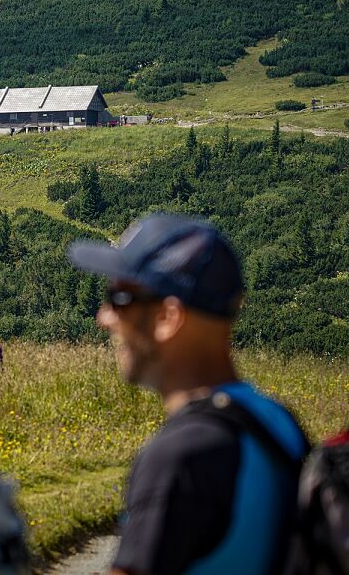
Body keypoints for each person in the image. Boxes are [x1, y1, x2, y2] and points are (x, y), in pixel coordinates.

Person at [67, 213, 308, 575]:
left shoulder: (179, 458)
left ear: (168, 318)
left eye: (119, 298)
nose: (104, 317)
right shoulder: (275, 419)